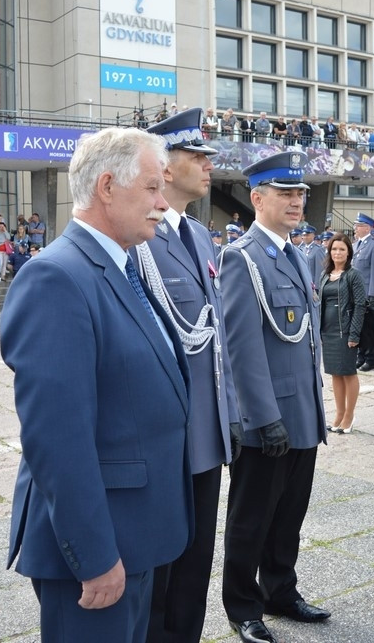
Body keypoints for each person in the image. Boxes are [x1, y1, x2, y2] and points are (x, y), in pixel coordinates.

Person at [1, 127, 192, 643]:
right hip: (98, 552)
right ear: (107, 186)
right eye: (152, 187)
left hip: (135, 534)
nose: (162, 202)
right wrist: (94, 556)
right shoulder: (56, 278)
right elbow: (56, 439)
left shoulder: (118, 266)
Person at [136, 109, 242, 643]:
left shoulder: (200, 236)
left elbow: (216, 336)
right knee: (158, 567)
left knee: (197, 562)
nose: (208, 165)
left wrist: (231, 416)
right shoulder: (138, 237)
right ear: (163, 166)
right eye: (196, 156)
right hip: (164, 435)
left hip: (205, 431)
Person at [219, 151, 329, 643]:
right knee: (251, 520)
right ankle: (243, 606)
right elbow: (241, 347)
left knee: (289, 518)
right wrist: (263, 417)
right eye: (285, 193)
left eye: (300, 193)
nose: (296, 201)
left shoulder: (295, 254)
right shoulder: (242, 257)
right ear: (257, 198)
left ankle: (280, 590)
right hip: (268, 421)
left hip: (302, 414)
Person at [319, 233, 366, 433]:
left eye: (342, 249)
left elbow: (360, 305)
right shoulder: (325, 274)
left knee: (348, 372)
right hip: (327, 331)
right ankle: (339, 413)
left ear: (348, 253)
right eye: (334, 249)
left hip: (345, 331)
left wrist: (354, 334)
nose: (337, 253)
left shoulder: (353, 275)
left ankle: (349, 415)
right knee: (335, 373)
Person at [351, 213, 374, 372]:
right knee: (359, 327)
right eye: (355, 225)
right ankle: (361, 356)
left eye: (358, 226)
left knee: (370, 328)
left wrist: (373, 295)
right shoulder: (356, 245)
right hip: (355, 293)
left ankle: (371, 359)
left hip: (367, 294)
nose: (355, 228)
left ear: (368, 228)